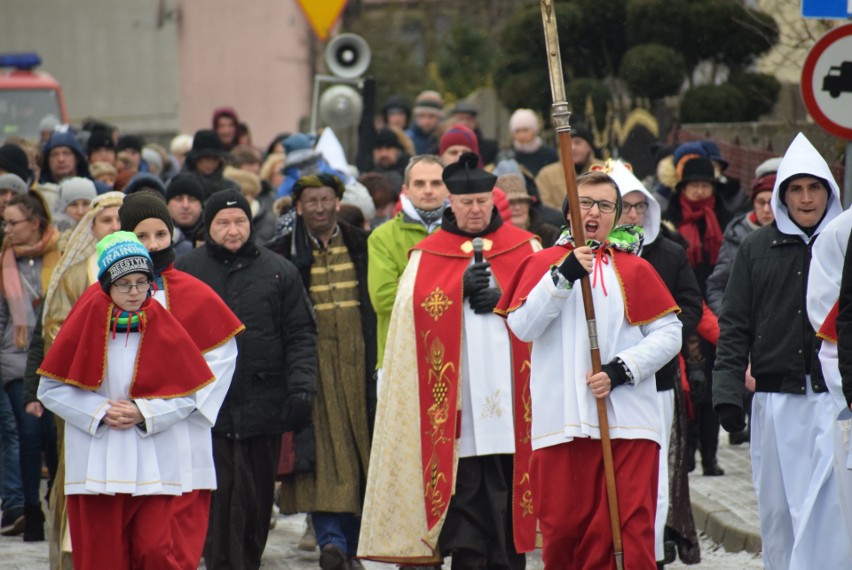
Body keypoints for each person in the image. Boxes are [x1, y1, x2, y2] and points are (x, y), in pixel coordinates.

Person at [359, 152, 540, 566]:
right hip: (456, 405)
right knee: (466, 503)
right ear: (451, 205)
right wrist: (455, 289)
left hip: (511, 401)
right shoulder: (428, 254)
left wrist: (504, 300)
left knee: (508, 500)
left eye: (481, 201)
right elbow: (404, 312)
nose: (475, 210)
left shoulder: (525, 247)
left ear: (493, 201)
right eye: (466, 203)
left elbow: (545, 309)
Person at [496, 169, 683, 568]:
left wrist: (621, 370)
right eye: (584, 203)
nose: (594, 212)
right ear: (568, 212)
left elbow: (670, 333)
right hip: (562, 420)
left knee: (628, 532)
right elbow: (522, 326)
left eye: (605, 205)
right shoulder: (543, 266)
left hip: (628, 421)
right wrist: (562, 277)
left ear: (617, 215)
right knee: (564, 531)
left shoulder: (635, 268)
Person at [37, 231, 222, 569]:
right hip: (97, 463)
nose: (135, 292)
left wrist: (144, 412)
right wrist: (98, 411)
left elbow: (189, 395)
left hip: (152, 462)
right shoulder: (84, 321)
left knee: (155, 551)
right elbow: (50, 389)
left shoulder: (164, 324)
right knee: (101, 558)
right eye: (125, 284)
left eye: (142, 282)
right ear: (107, 284)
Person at [713, 132, 847, 569]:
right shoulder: (755, 248)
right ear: (781, 194)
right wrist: (728, 392)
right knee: (779, 513)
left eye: (815, 188)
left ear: (830, 190)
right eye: (795, 188)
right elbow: (734, 325)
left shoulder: (845, 245)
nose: (806, 199)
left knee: (831, 513)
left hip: (835, 402)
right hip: (775, 401)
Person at [175, 189, 318, 570]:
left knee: (254, 505)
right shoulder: (187, 271)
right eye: (223, 223)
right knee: (217, 502)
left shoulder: (279, 270)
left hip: (263, 407)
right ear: (209, 227)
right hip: (207, 411)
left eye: (239, 221)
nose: (232, 230)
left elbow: (301, 333)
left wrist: (302, 388)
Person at [268, 174, 376, 569]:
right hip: (311, 371)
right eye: (311, 201)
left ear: (337, 202)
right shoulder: (280, 253)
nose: (319, 207)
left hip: (360, 366)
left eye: (326, 199)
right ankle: (332, 540)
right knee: (322, 461)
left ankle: (347, 546)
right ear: (298, 206)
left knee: (359, 457)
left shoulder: (364, 245)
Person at [23, 190, 124, 566]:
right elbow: (54, 331)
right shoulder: (77, 272)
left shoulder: (144, 270)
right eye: (107, 220)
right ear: (92, 227)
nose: (115, 226)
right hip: (86, 392)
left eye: (121, 219)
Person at [611, 160, 703, 566]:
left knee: (653, 473)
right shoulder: (590, 254)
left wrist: (652, 340)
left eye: (640, 207)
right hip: (603, 383)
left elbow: (690, 306)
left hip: (657, 381)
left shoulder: (668, 252)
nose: (634, 215)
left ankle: (649, 554)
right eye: (625, 206)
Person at [664, 155, 738, 476]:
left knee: (710, 386)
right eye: (693, 185)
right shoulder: (670, 218)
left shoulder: (722, 216)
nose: (698, 191)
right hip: (680, 308)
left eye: (704, 185)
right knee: (687, 386)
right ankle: (687, 452)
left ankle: (710, 454)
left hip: (713, 308)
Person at [1, 192, 61, 541]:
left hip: (54, 358)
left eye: (13, 222)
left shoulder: (61, 255)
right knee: (27, 436)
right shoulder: (3, 261)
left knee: (53, 438)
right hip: (16, 358)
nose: (7, 229)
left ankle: (55, 503)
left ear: (35, 223)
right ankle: (29, 510)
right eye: (4, 223)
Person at [367, 155, 447, 369]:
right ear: (406, 189)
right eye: (419, 184)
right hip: (400, 355)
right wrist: (451, 293)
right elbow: (383, 299)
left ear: (448, 188)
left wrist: (411, 287)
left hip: (452, 352)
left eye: (436, 183)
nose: (428, 190)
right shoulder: (383, 236)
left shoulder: (464, 235)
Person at [500, 173, 559, 247]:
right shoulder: (490, 239)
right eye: (511, 203)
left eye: (522, 201)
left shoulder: (549, 234)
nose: (517, 207)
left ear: (529, 205)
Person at [182, 129, 239, 199]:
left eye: (215, 158)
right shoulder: (181, 185)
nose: (210, 163)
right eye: (206, 158)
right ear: (195, 159)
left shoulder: (230, 188)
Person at [502, 109, 558, 177]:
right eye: (517, 131)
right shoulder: (508, 157)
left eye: (525, 130)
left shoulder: (550, 155)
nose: (521, 135)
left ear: (534, 130)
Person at [165, 173, 206, 256]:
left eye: (192, 199)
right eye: (178, 199)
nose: (185, 205)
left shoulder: (212, 237)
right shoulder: (157, 242)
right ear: (167, 205)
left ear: (201, 206)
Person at [405, 90, 443, 155]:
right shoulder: (406, 138)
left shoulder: (444, 138)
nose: (426, 121)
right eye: (421, 116)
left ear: (438, 118)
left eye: (431, 116)